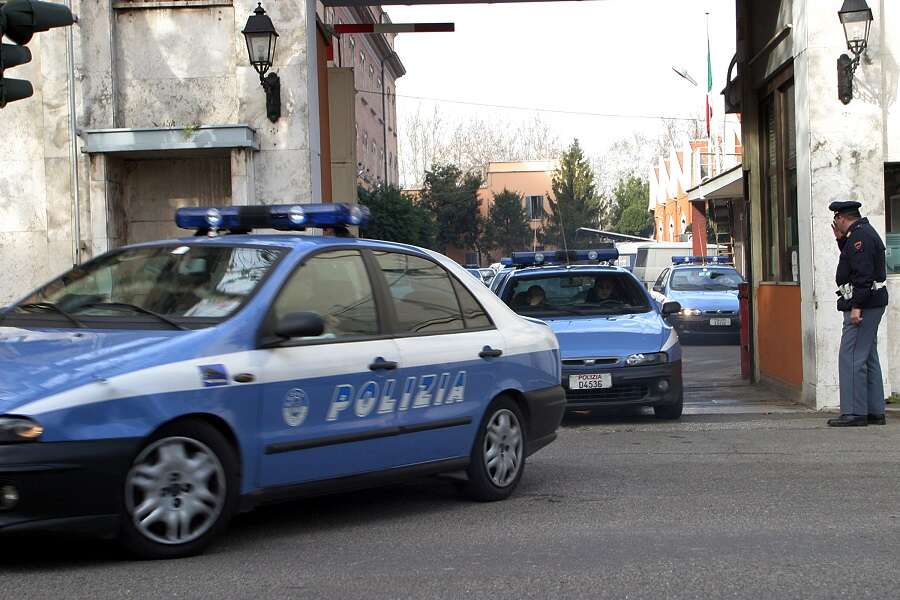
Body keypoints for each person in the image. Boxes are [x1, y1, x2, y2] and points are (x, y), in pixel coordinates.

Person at [826, 200, 889, 427]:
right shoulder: (861, 234)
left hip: (864, 304)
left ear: (842, 217)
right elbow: (854, 259)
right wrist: (841, 240)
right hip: (872, 302)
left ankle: (854, 412)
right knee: (868, 355)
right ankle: (874, 411)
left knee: (851, 356)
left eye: (836, 220)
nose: (836, 224)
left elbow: (863, 275)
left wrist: (856, 306)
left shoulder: (860, 237)